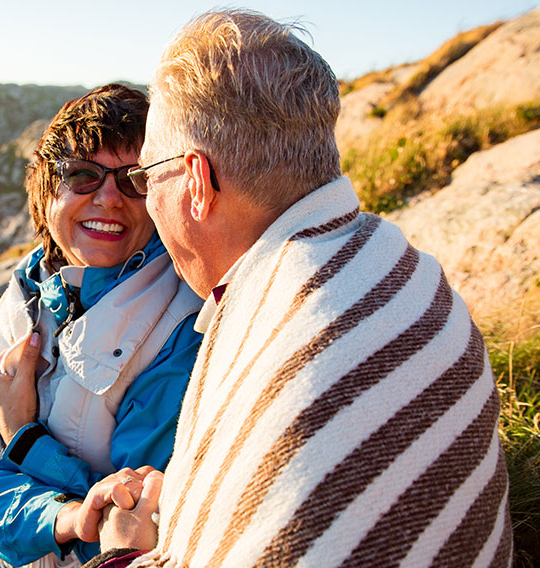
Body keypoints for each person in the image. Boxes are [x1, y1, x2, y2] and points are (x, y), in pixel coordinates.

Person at [80, 9, 513, 568]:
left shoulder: (263, 331)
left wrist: (120, 552)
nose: (144, 198)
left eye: (144, 177)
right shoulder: (405, 264)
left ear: (197, 182)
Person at [0, 84, 204, 568]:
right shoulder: (30, 287)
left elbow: (131, 519)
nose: (109, 198)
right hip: (21, 544)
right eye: (83, 176)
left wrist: (22, 436)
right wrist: (60, 517)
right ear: (45, 189)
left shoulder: (180, 319)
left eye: (133, 179)